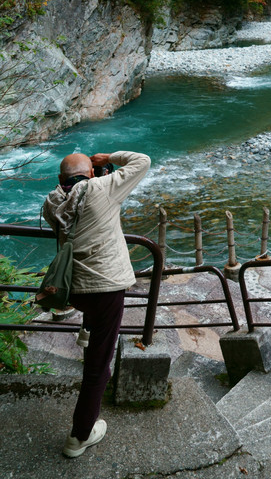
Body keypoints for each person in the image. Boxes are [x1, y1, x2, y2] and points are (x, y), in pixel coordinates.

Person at [43, 150, 151, 458]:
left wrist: (93, 171)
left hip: (73, 287)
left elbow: (74, 207)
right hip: (104, 289)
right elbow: (142, 161)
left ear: (61, 180)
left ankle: (87, 331)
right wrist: (107, 158)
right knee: (97, 370)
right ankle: (79, 436)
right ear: (92, 174)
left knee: (93, 321)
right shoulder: (102, 188)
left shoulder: (52, 201)